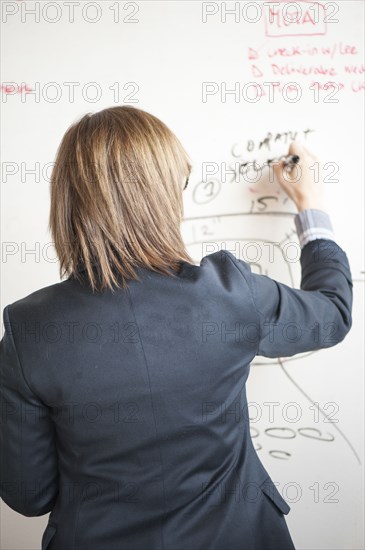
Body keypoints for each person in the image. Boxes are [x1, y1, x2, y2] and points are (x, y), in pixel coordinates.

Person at [0, 106, 353, 550]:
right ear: (162, 194)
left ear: (69, 200)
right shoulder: (228, 294)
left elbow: (30, 495)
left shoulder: (29, 327)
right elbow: (333, 313)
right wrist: (312, 208)